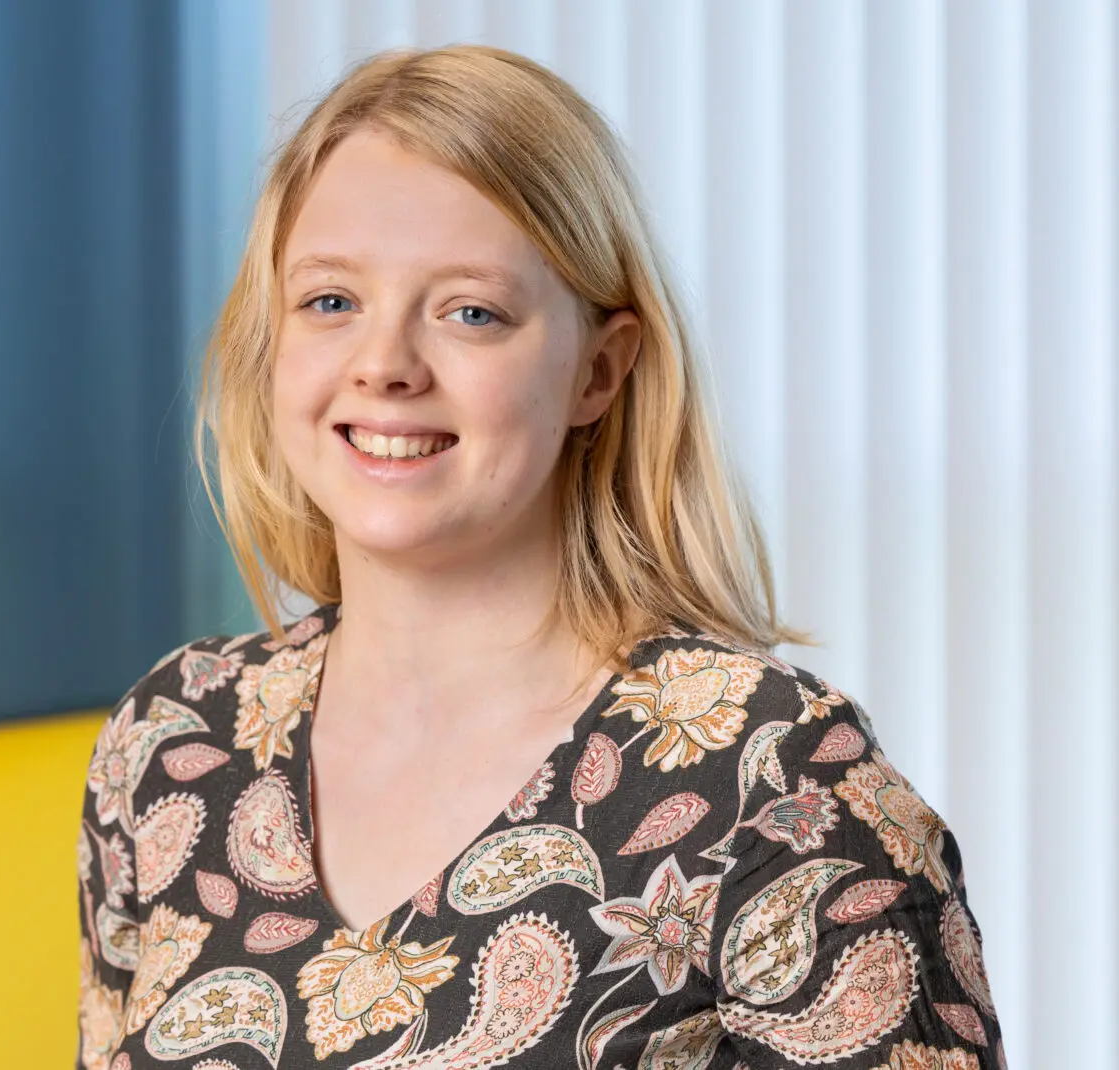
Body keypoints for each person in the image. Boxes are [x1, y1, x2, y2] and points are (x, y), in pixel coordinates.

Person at [76, 44, 1005, 1070]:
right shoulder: (172, 741)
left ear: (597, 372)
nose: (384, 365)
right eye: (331, 301)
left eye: (470, 312)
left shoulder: (776, 780)